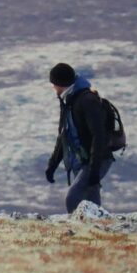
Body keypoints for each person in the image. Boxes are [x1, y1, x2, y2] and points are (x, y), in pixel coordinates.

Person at [43, 62, 113, 214]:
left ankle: (77, 234)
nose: (53, 88)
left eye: (54, 84)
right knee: (91, 203)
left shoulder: (87, 100)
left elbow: (98, 135)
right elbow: (64, 135)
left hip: (96, 159)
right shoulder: (69, 101)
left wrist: (94, 169)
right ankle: (97, 233)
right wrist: (52, 165)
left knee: (73, 198)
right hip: (83, 160)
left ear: (60, 84)